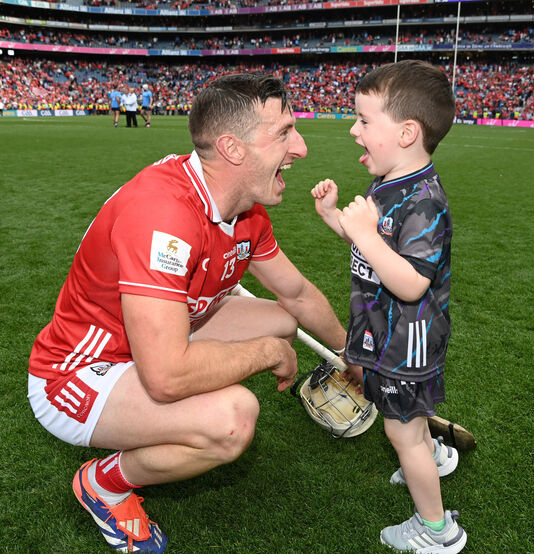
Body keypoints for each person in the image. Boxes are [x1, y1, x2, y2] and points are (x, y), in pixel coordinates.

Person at [28, 73, 346, 553]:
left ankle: (165, 408)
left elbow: (297, 294)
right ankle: (104, 484)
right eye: (283, 133)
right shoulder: (164, 215)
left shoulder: (245, 210)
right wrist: (266, 352)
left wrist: (353, 355)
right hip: (80, 372)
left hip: (159, 337)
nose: (300, 148)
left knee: (283, 318)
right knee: (233, 419)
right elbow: (167, 378)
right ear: (232, 149)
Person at [311, 60, 466, 553]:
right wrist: (337, 218)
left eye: (362, 119)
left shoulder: (422, 200)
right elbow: (370, 248)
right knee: (410, 426)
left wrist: (360, 231)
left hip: (405, 337)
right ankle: (432, 453)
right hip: (386, 330)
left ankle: (438, 531)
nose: (353, 130)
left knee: (402, 434)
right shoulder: (390, 181)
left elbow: (411, 282)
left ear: (406, 133)